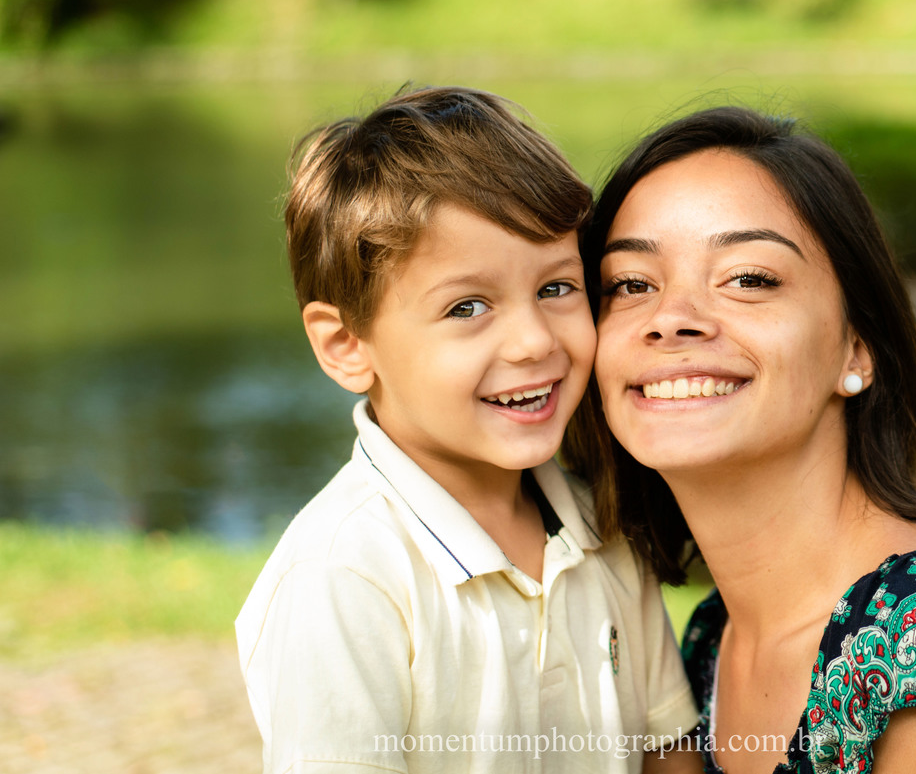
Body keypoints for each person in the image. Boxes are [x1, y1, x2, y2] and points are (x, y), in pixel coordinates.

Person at [567, 105, 916, 773]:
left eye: (748, 278)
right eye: (630, 284)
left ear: (857, 347)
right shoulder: (708, 641)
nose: (671, 319)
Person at [235, 85, 700, 774]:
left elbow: (669, 751)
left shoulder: (603, 532)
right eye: (468, 306)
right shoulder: (344, 573)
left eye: (555, 288)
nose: (531, 342)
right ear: (346, 345)